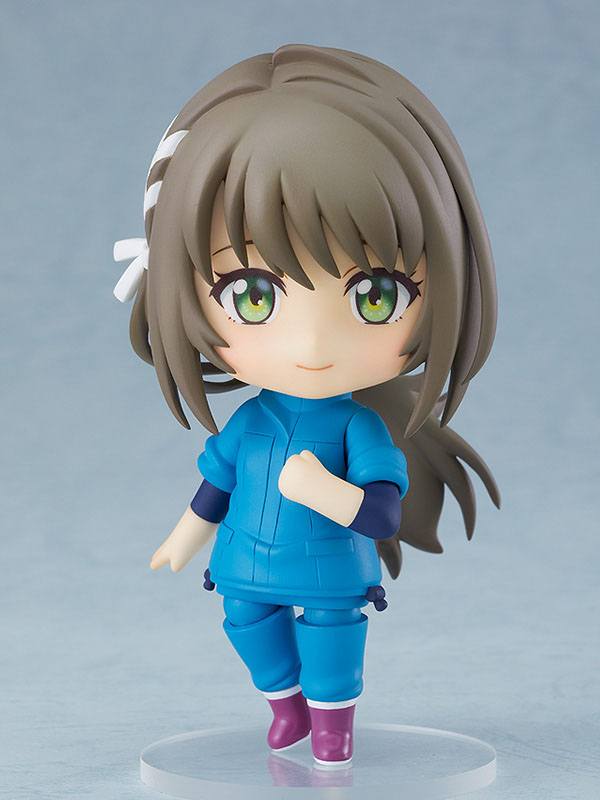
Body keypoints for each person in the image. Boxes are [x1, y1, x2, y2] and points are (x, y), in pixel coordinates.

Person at [113, 44, 500, 766]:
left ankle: (332, 725)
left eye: (376, 295)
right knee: (245, 621)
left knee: (333, 637)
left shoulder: (359, 427)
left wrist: (327, 492)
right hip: (245, 561)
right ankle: (283, 701)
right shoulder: (251, 422)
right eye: (252, 296)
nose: (313, 344)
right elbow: (215, 486)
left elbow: (381, 514)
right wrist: (185, 535)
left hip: (331, 569)